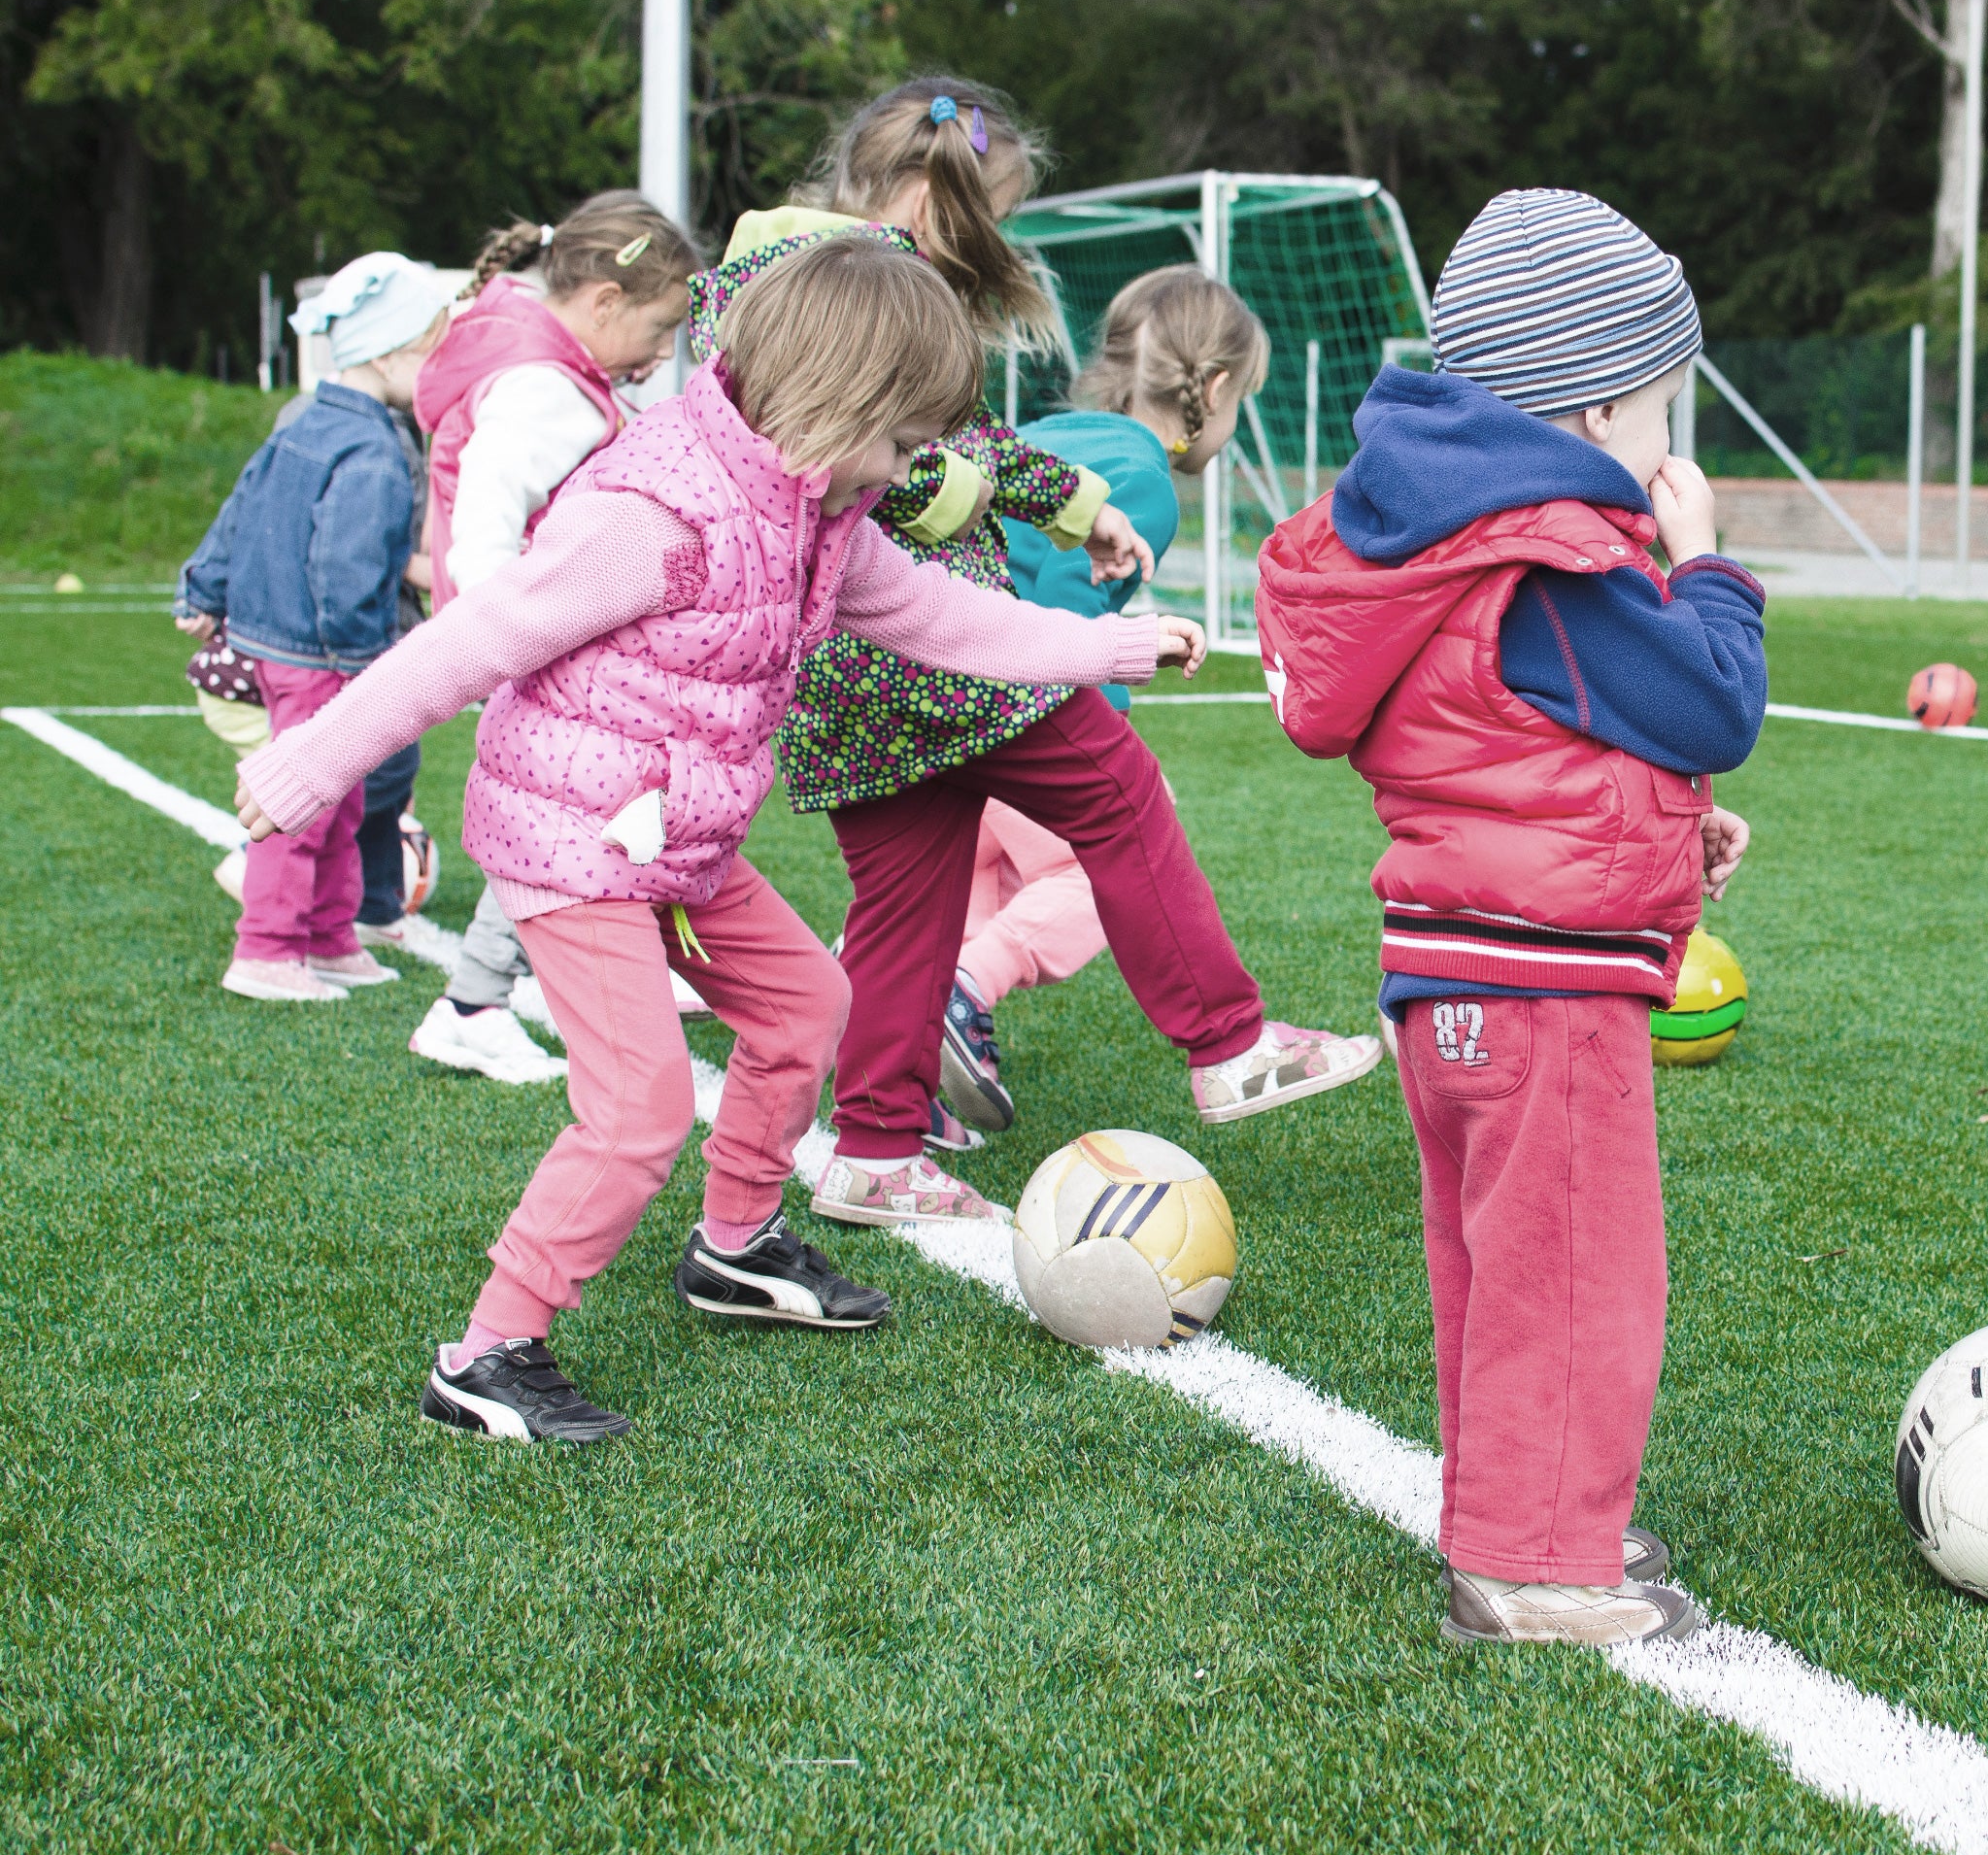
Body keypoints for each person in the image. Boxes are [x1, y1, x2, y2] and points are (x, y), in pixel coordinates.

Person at [231, 234, 1209, 1444]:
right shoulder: (653, 514)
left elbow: (939, 617)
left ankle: (736, 1248)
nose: (914, 472)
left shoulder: (820, 508)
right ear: (837, 404)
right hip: (575, 843)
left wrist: (1110, 646)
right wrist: (311, 762)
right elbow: (470, 642)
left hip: (678, 842)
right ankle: (486, 1355)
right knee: (639, 1108)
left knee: (810, 1006)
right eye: (906, 444)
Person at [691, 77, 1378, 1231]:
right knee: (1117, 792)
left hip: (842, 675)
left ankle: (873, 1148)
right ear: (924, 195)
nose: (990, 246)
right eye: (985, 218)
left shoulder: (774, 271)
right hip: (931, 646)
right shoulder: (844, 286)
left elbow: (961, 438)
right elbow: (887, 465)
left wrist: (1078, 508)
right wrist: (986, 509)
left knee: (911, 899)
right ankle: (1228, 1042)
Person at [1257, 189, 1769, 1646]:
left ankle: (1523, 1512)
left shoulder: (1443, 538)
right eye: (1665, 407)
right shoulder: (1553, 556)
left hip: (1458, 974)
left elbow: (1516, 741)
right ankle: (1536, 1564)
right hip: (1544, 994)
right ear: (1598, 401)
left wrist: (1671, 830)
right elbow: (1713, 696)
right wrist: (1708, 562)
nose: (1672, 444)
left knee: (1498, 1269)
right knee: (1573, 1274)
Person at [932, 265, 1266, 1137]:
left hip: (929, 699)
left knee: (968, 875)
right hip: (1006, 705)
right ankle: (965, 990)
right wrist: (1100, 750)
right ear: (1216, 389)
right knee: (1099, 860)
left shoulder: (1045, 434)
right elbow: (1062, 626)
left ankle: (899, 1045)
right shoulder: (1142, 483)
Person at [402, 191, 706, 1086]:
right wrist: (512, 636)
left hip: (540, 641)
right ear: (604, 304)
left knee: (587, 813)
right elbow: (487, 527)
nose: (661, 359)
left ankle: (505, 990)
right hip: (541, 647)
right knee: (572, 819)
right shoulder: (545, 392)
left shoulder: (545, 366)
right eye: (658, 330)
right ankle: (473, 1003)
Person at [177, 253, 449, 1003]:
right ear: (392, 353)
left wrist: (203, 584)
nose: (439, 369)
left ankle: (330, 936)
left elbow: (241, 503)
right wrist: (365, 662)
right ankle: (265, 948)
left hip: (284, 642)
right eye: (433, 350)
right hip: (323, 655)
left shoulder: (308, 418)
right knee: (303, 802)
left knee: (343, 798)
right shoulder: (373, 447)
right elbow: (347, 562)